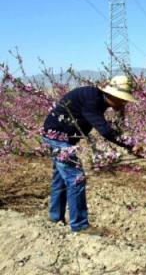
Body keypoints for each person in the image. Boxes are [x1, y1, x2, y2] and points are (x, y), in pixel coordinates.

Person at [42, 75, 140, 233]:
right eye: (123, 100)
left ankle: (55, 217)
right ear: (112, 95)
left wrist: (121, 119)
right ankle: (80, 226)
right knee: (76, 178)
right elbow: (106, 131)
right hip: (58, 138)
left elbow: (113, 122)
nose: (125, 103)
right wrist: (130, 145)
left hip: (58, 136)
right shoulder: (92, 101)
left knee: (60, 179)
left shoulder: (98, 98)